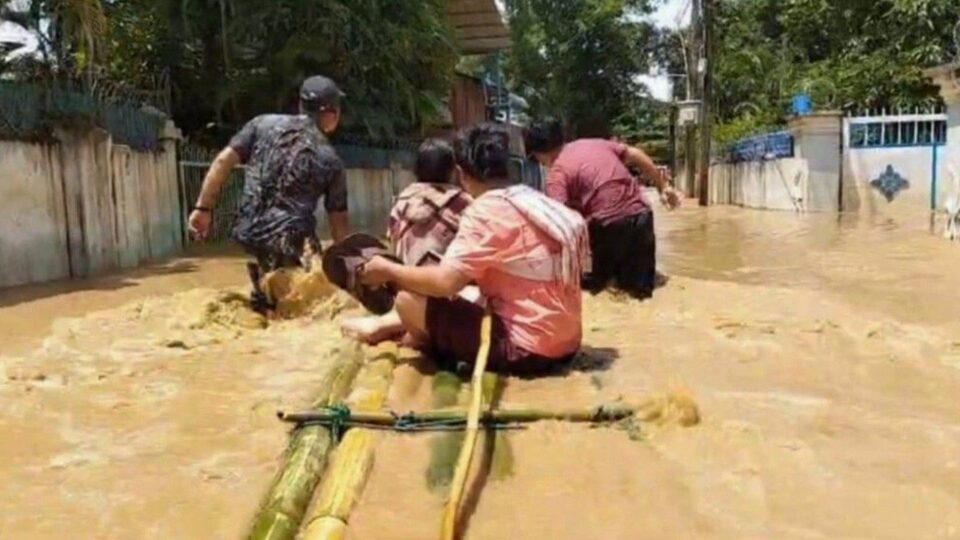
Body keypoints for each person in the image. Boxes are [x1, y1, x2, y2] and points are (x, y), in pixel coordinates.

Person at [351, 122, 589, 376]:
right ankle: (390, 327)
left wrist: (388, 270)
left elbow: (445, 283)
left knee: (408, 299)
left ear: (461, 173)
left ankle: (422, 342)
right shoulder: (535, 201)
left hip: (527, 352)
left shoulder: (484, 210)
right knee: (465, 292)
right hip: (568, 343)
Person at [187, 75, 349, 311]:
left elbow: (223, 161)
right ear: (329, 113)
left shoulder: (261, 124)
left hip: (248, 230)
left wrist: (203, 209)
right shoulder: (330, 159)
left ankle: (261, 299)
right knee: (307, 306)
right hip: (291, 241)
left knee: (267, 295)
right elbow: (339, 228)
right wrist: (348, 270)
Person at [524, 117, 681, 300]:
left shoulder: (557, 175)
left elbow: (559, 226)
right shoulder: (594, 144)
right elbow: (636, 154)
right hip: (642, 217)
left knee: (601, 287)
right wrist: (663, 186)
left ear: (538, 154)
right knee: (642, 290)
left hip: (609, 228)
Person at [340, 138, 471, 343]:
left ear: (416, 170)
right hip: (444, 291)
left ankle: (393, 322)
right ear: (454, 171)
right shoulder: (465, 202)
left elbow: (394, 244)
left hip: (406, 289)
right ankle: (392, 325)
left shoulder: (402, 202)